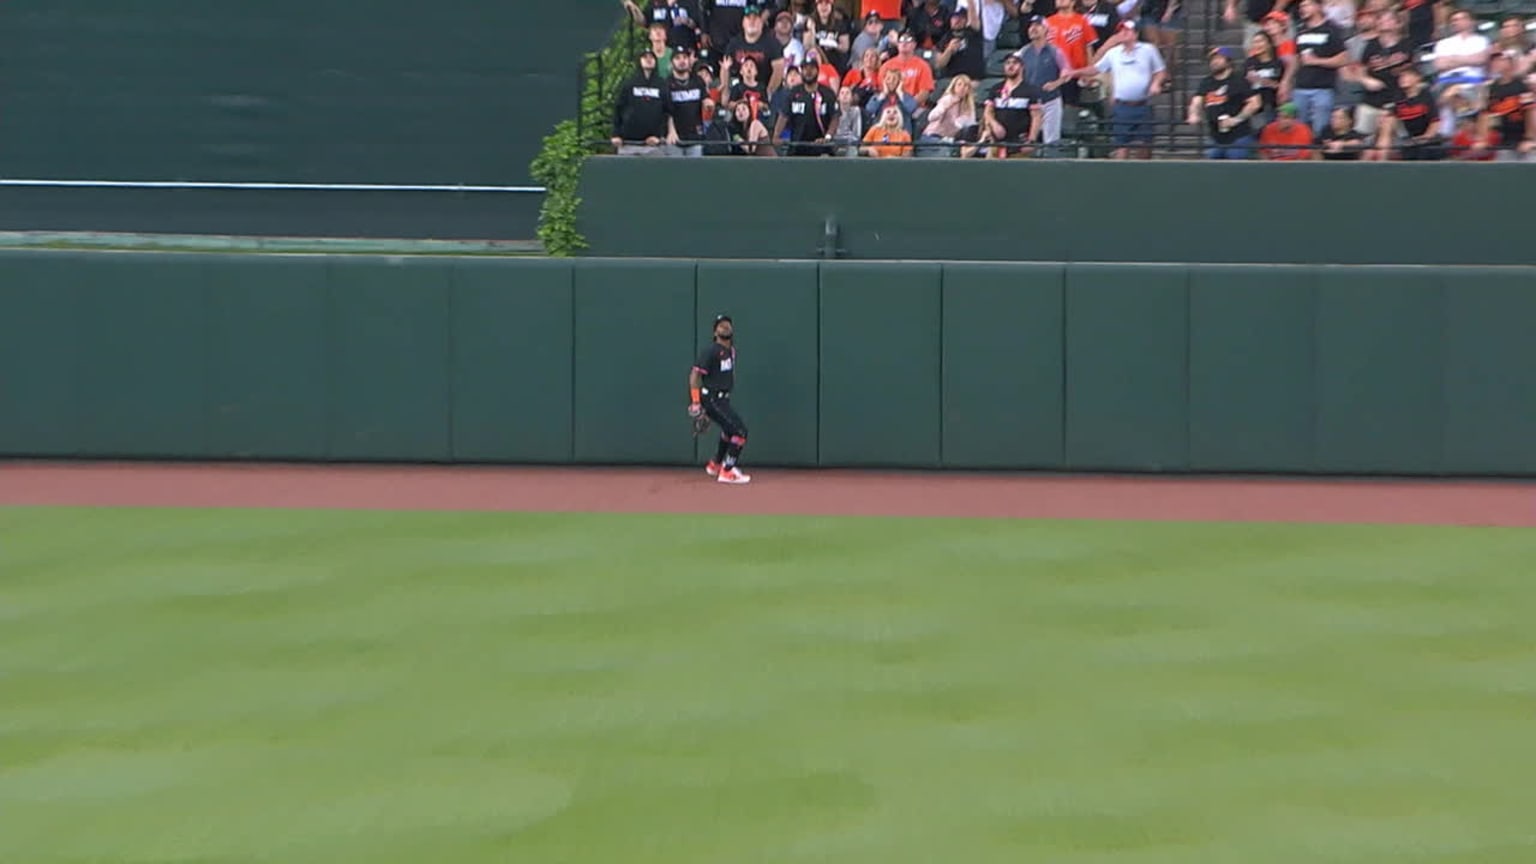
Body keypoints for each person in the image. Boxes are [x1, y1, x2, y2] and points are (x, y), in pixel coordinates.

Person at [690, 314, 751, 485]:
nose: (725, 327)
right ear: (715, 331)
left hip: (722, 399)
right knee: (740, 432)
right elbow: (695, 375)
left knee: (729, 431)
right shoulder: (711, 351)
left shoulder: (731, 351)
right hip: (711, 398)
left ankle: (716, 464)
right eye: (721, 325)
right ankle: (727, 471)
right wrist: (696, 402)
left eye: (727, 325)